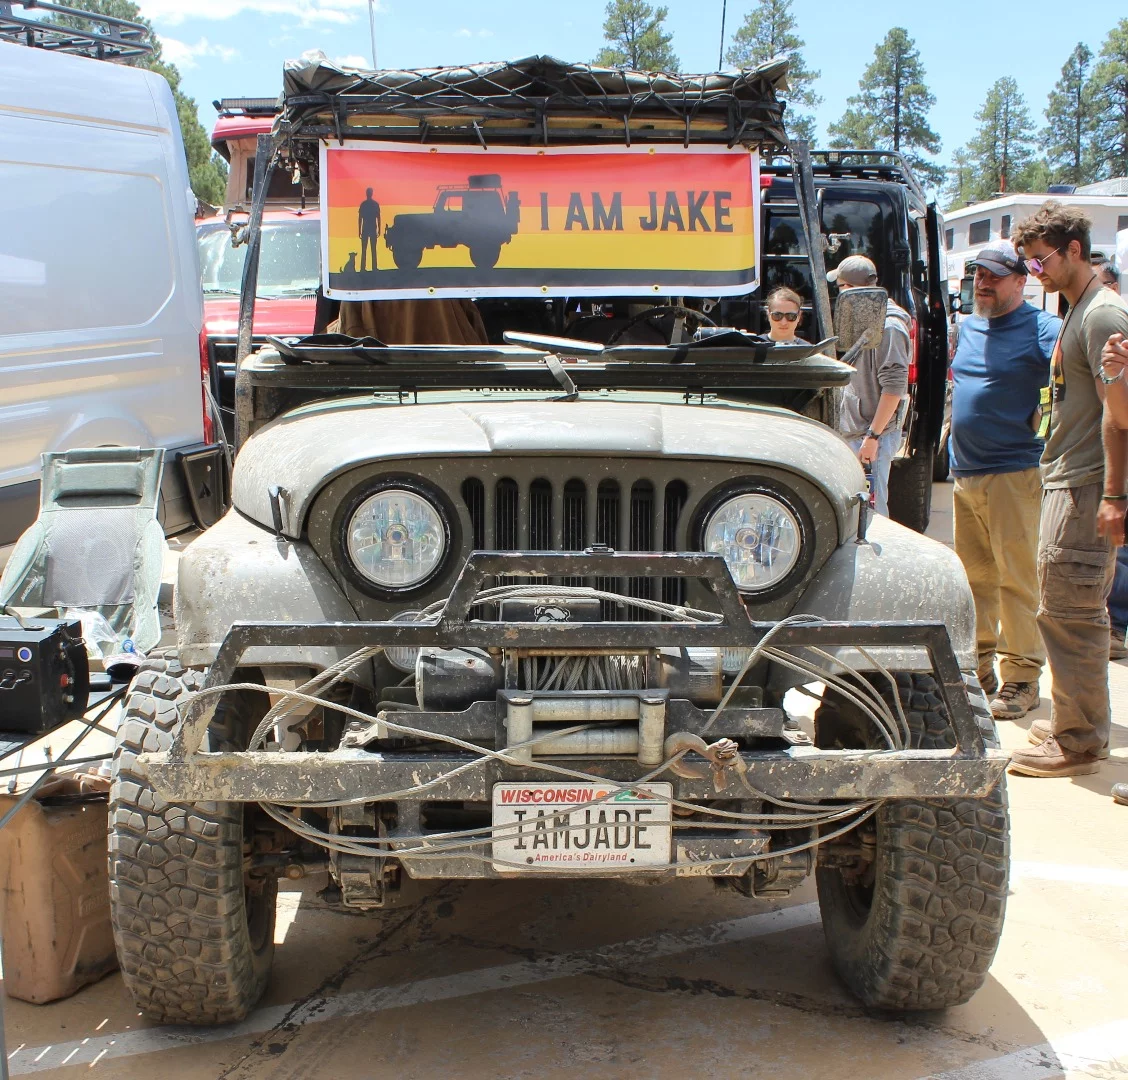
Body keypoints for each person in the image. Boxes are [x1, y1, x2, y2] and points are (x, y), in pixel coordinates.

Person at [1006, 202, 1128, 778]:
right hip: (1071, 478)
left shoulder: (1103, 315)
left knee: (1070, 611)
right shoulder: (1079, 309)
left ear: (1074, 249)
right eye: (1029, 264)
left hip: (1086, 485)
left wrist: (1115, 495)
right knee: (1066, 607)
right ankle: (1075, 722)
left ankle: (1078, 740)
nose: (1036, 273)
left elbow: (1120, 416)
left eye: (1041, 260)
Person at [948, 240, 1059, 719]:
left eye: (995, 276)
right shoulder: (968, 327)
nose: (984, 282)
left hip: (1015, 472)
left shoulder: (1043, 328)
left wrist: (1050, 423)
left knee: (1017, 581)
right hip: (965, 473)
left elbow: (1076, 375)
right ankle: (980, 668)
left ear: (1020, 282)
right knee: (974, 579)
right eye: (979, 274)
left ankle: (1022, 678)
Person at [830, 255, 911, 517]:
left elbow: (894, 388)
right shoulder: (869, 321)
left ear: (851, 289)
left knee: (872, 512)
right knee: (857, 510)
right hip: (858, 433)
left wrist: (872, 438)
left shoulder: (890, 328)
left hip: (872, 436)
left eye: (841, 287)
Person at [358, 187, 381, 273]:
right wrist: (379, 229)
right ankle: (371, 267)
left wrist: (359, 230)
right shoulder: (374, 204)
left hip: (367, 228)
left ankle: (365, 268)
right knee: (370, 249)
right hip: (370, 228)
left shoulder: (364, 204)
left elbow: (360, 218)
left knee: (367, 249)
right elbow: (378, 218)